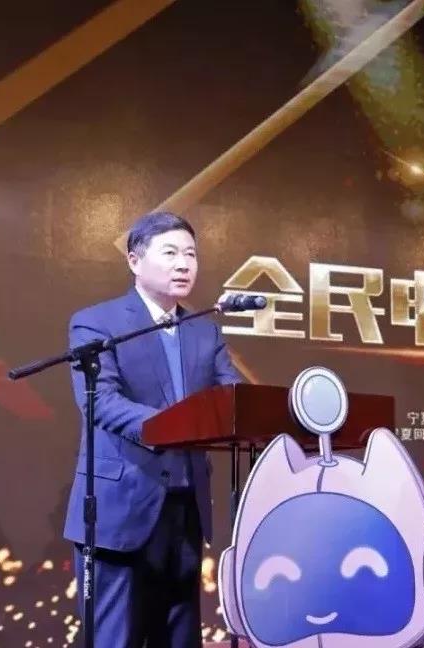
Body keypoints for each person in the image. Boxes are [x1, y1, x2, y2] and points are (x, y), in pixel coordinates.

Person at [64, 211, 241, 647]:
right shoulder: (97, 323)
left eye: (191, 255)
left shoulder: (204, 331)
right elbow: (101, 402)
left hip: (185, 508)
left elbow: (233, 400)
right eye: (171, 253)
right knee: (115, 638)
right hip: (119, 508)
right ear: (134, 260)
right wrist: (172, 425)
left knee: (180, 637)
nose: (184, 265)